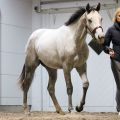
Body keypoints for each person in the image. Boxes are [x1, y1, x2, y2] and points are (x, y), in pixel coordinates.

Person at [103, 7, 120, 115]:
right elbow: (104, 45)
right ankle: (119, 109)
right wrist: (109, 51)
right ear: (116, 17)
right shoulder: (111, 29)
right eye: (119, 15)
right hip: (116, 60)